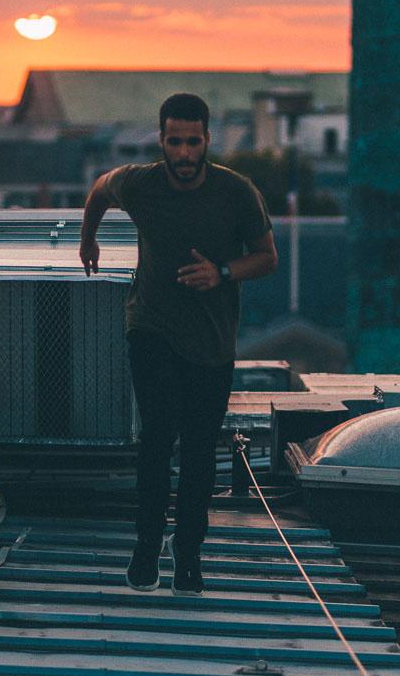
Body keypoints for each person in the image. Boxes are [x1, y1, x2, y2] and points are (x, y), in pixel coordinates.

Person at [80, 92, 277, 595]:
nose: (185, 154)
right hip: (151, 328)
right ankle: (146, 548)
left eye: (193, 142)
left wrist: (222, 273)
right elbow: (100, 190)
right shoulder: (140, 184)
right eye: (175, 142)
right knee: (155, 441)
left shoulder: (236, 192)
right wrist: (88, 237)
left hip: (211, 342)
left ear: (207, 140)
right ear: (161, 140)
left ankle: (187, 553)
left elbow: (267, 257)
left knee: (197, 454)